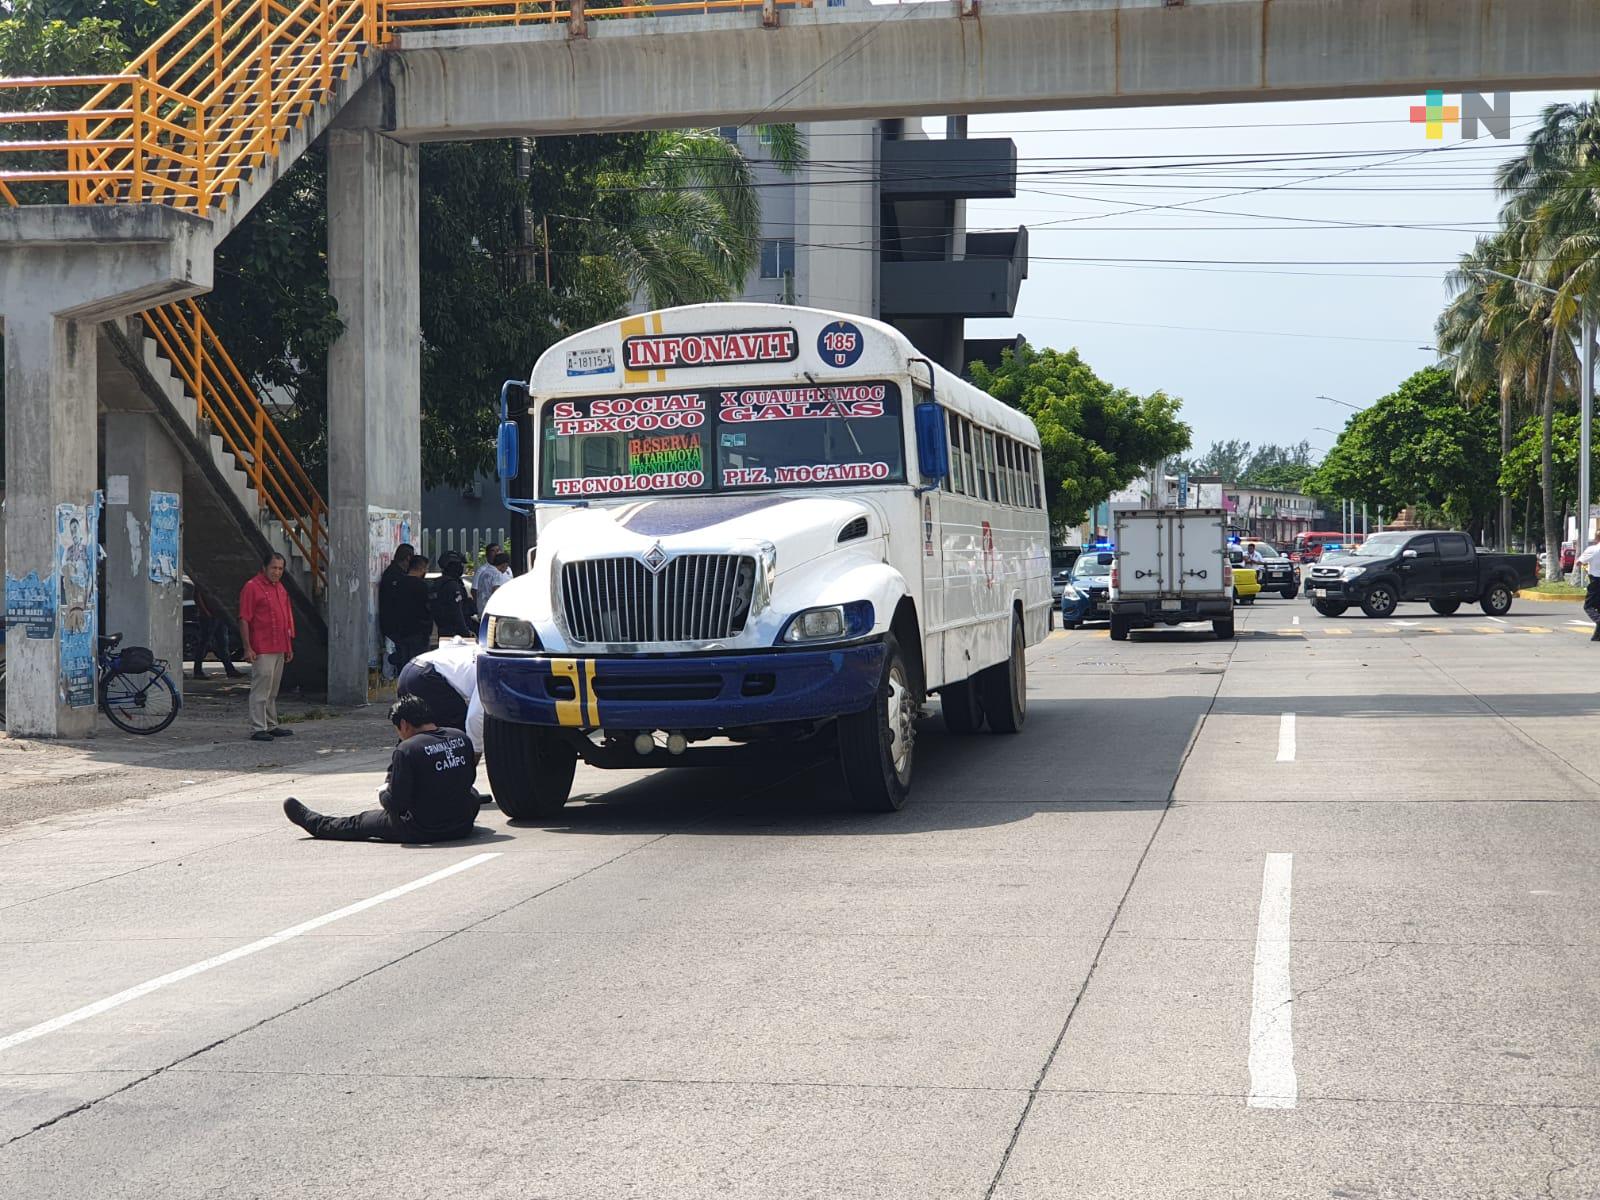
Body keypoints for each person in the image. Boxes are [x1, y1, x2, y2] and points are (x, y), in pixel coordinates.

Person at [282, 696, 477, 843]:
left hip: (423, 829)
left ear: (403, 724)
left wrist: (385, 790)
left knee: (359, 822)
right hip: (462, 824)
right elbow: (469, 779)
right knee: (471, 793)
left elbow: (396, 804)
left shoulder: (407, 750)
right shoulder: (459, 736)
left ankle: (315, 823)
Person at [239, 551, 296, 742]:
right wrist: (248, 647)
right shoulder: (251, 587)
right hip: (262, 646)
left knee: (272, 690)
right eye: (274, 568)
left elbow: (287, 618)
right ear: (264, 568)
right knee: (261, 688)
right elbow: (244, 619)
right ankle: (258, 726)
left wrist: (289, 645)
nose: (277, 572)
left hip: (279, 645)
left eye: (280, 568)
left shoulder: (280, 588)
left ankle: (271, 724)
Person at [396, 636, 485, 756]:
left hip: (411, 668)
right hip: (429, 677)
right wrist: (475, 751)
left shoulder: (483, 650)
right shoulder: (495, 669)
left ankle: (396, 772)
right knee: (456, 737)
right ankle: (454, 772)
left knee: (413, 731)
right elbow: (476, 716)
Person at [388, 555, 433, 671]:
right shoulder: (422, 586)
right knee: (419, 668)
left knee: (404, 666)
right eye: (426, 569)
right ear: (421, 568)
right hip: (418, 633)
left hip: (401, 633)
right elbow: (427, 609)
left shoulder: (398, 583)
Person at [192, 583, 243, 681]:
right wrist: (206, 612)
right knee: (205, 643)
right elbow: (197, 596)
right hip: (208, 617)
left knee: (223, 643)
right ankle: (197, 671)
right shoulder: (200, 580)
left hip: (219, 615)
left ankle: (230, 670)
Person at [430, 550, 476, 639]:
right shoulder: (451, 585)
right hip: (456, 633)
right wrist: (466, 632)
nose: (462, 567)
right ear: (453, 566)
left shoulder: (439, 583)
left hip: (444, 630)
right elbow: (457, 612)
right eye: (460, 565)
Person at [474, 545, 512, 618]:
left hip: (482, 610)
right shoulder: (497, 574)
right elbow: (496, 594)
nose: (506, 569)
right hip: (493, 612)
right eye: (507, 567)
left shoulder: (484, 572)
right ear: (504, 564)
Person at [1579, 532, 1600, 641]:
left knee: (1588, 606)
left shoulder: (1592, 549)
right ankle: (1597, 636)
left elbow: (1579, 562)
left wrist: (1586, 566)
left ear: (1596, 538)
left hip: (1596, 580)